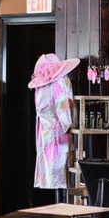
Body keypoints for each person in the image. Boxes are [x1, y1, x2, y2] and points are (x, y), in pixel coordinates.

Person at [29, 53, 79, 191]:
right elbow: (64, 108)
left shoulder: (40, 87)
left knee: (47, 159)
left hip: (44, 128)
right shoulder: (62, 81)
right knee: (61, 164)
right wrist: (71, 123)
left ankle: (52, 185)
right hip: (58, 128)